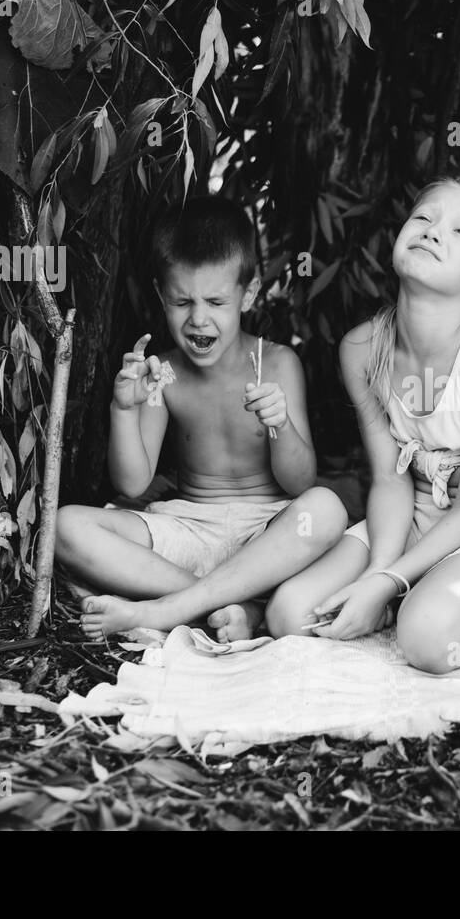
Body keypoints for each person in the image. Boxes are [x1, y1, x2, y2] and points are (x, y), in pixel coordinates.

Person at [265, 178, 460, 674]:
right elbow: (391, 477)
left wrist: (387, 580)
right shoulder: (360, 349)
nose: (434, 232)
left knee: (429, 641)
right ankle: (405, 595)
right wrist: (378, 572)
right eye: (423, 218)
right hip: (412, 512)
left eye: (459, 232)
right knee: (290, 615)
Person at [57, 195, 346, 641]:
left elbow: (300, 483)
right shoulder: (165, 371)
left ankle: (170, 609)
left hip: (265, 536)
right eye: (181, 302)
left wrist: (281, 425)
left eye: (215, 301)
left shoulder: (277, 363)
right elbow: (132, 484)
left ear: (247, 295)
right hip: (187, 532)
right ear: (160, 294)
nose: (198, 319)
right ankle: (233, 606)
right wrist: (124, 409)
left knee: (325, 510)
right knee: (66, 527)